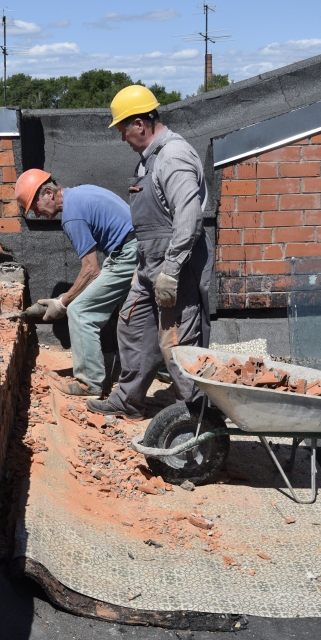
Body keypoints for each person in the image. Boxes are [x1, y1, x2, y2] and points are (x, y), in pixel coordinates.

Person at [87, 85, 214, 419]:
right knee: (131, 324)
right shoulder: (148, 162)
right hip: (148, 267)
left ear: (140, 125)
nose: (122, 138)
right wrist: (144, 267)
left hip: (177, 267)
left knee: (176, 342)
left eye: (123, 130)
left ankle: (198, 419)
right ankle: (127, 401)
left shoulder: (174, 156)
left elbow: (188, 219)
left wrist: (170, 271)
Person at [15, 168, 138, 396]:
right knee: (127, 316)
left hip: (129, 253)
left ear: (48, 193)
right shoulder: (80, 193)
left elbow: (91, 270)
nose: (37, 215)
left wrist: (63, 304)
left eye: (35, 207)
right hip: (133, 248)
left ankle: (89, 383)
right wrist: (64, 298)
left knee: (80, 312)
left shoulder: (71, 216)